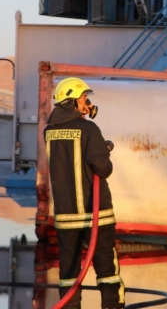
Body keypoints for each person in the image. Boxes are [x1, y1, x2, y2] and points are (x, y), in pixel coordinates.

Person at [45, 77, 124, 309]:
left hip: (65, 216)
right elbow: (103, 168)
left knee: (69, 272)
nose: (87, 103)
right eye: (84, 98)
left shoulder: (49, 131)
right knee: (107, 269)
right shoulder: (89, 129)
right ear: (72, 101)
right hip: (95, 214)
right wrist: (103, 151)